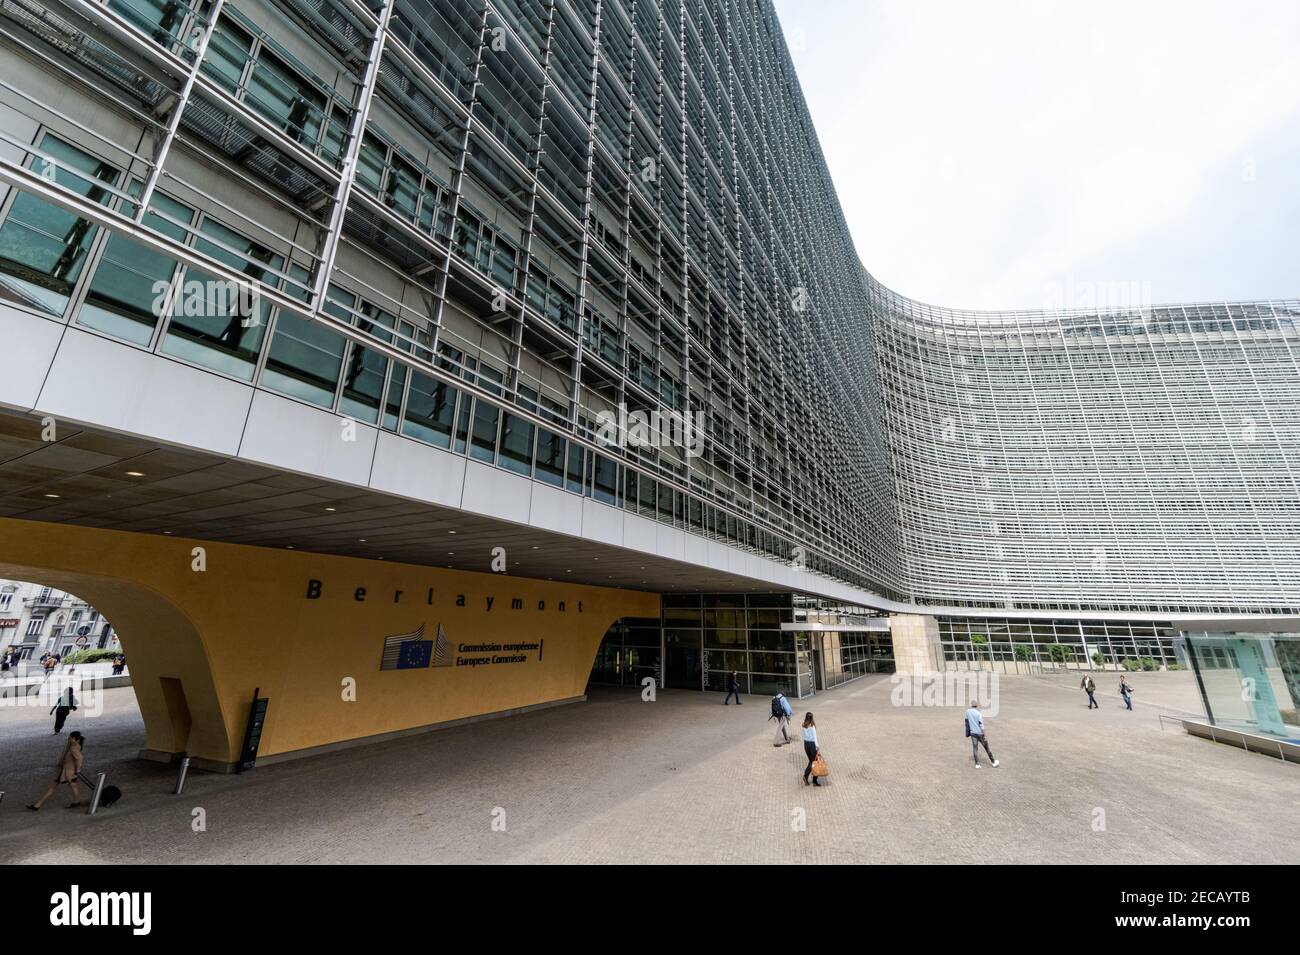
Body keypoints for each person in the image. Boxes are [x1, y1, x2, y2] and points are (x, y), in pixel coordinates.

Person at [27, 731, 85, 811]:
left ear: (74, 739)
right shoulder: (76, 746)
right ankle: (38, 804)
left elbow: (79, 758)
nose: (68, 739)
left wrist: (77, 770)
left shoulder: (73, 748)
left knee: (59, 787)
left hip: (69, 772)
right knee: (69, 786)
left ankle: (38, 804)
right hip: (68, 771)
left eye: (70, 738)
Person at [964, 700, 999, 769]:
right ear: (976, 706)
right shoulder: (978, 713)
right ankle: (993, 762)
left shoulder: (967, 712)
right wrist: (985, 735)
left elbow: (966, 721)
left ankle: (977, 764)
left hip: (973, 733)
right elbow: (981, 726)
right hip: (980, 733)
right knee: (987, 748)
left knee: (975, 748)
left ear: (971, 705)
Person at [801, 712, 822, 786]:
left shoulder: (803, 725)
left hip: (806, 744)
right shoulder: (812, 726)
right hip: (812, 744)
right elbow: (815, 737)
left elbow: (803, 735)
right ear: (812, 718)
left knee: (811, 761)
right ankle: (810, 778)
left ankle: (811, 778)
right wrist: (817, 747)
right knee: (814, 762)